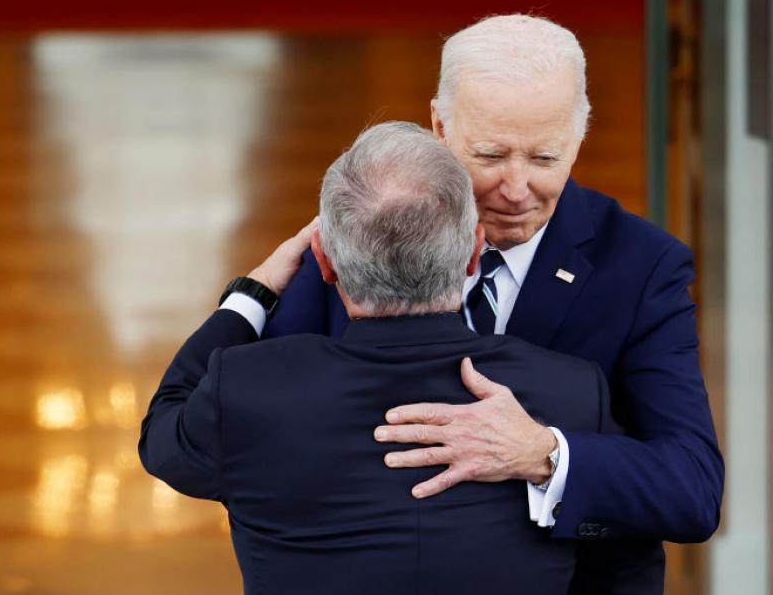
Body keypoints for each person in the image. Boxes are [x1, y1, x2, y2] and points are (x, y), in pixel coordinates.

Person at [260, 15, 724, 592]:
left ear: (580, 136)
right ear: (438, 126)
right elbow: (250, 416)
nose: (515, 187)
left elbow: (692, 491)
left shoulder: (641, 267)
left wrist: (542, 455)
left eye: (545, 158)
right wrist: (251, 296)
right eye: (490, 154)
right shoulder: (364, 226)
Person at [140, 122, 618, 594]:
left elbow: (163, 433)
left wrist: (255, 290)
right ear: (474, 251)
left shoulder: (247, 388)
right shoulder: (571, 394)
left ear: (323, 261)